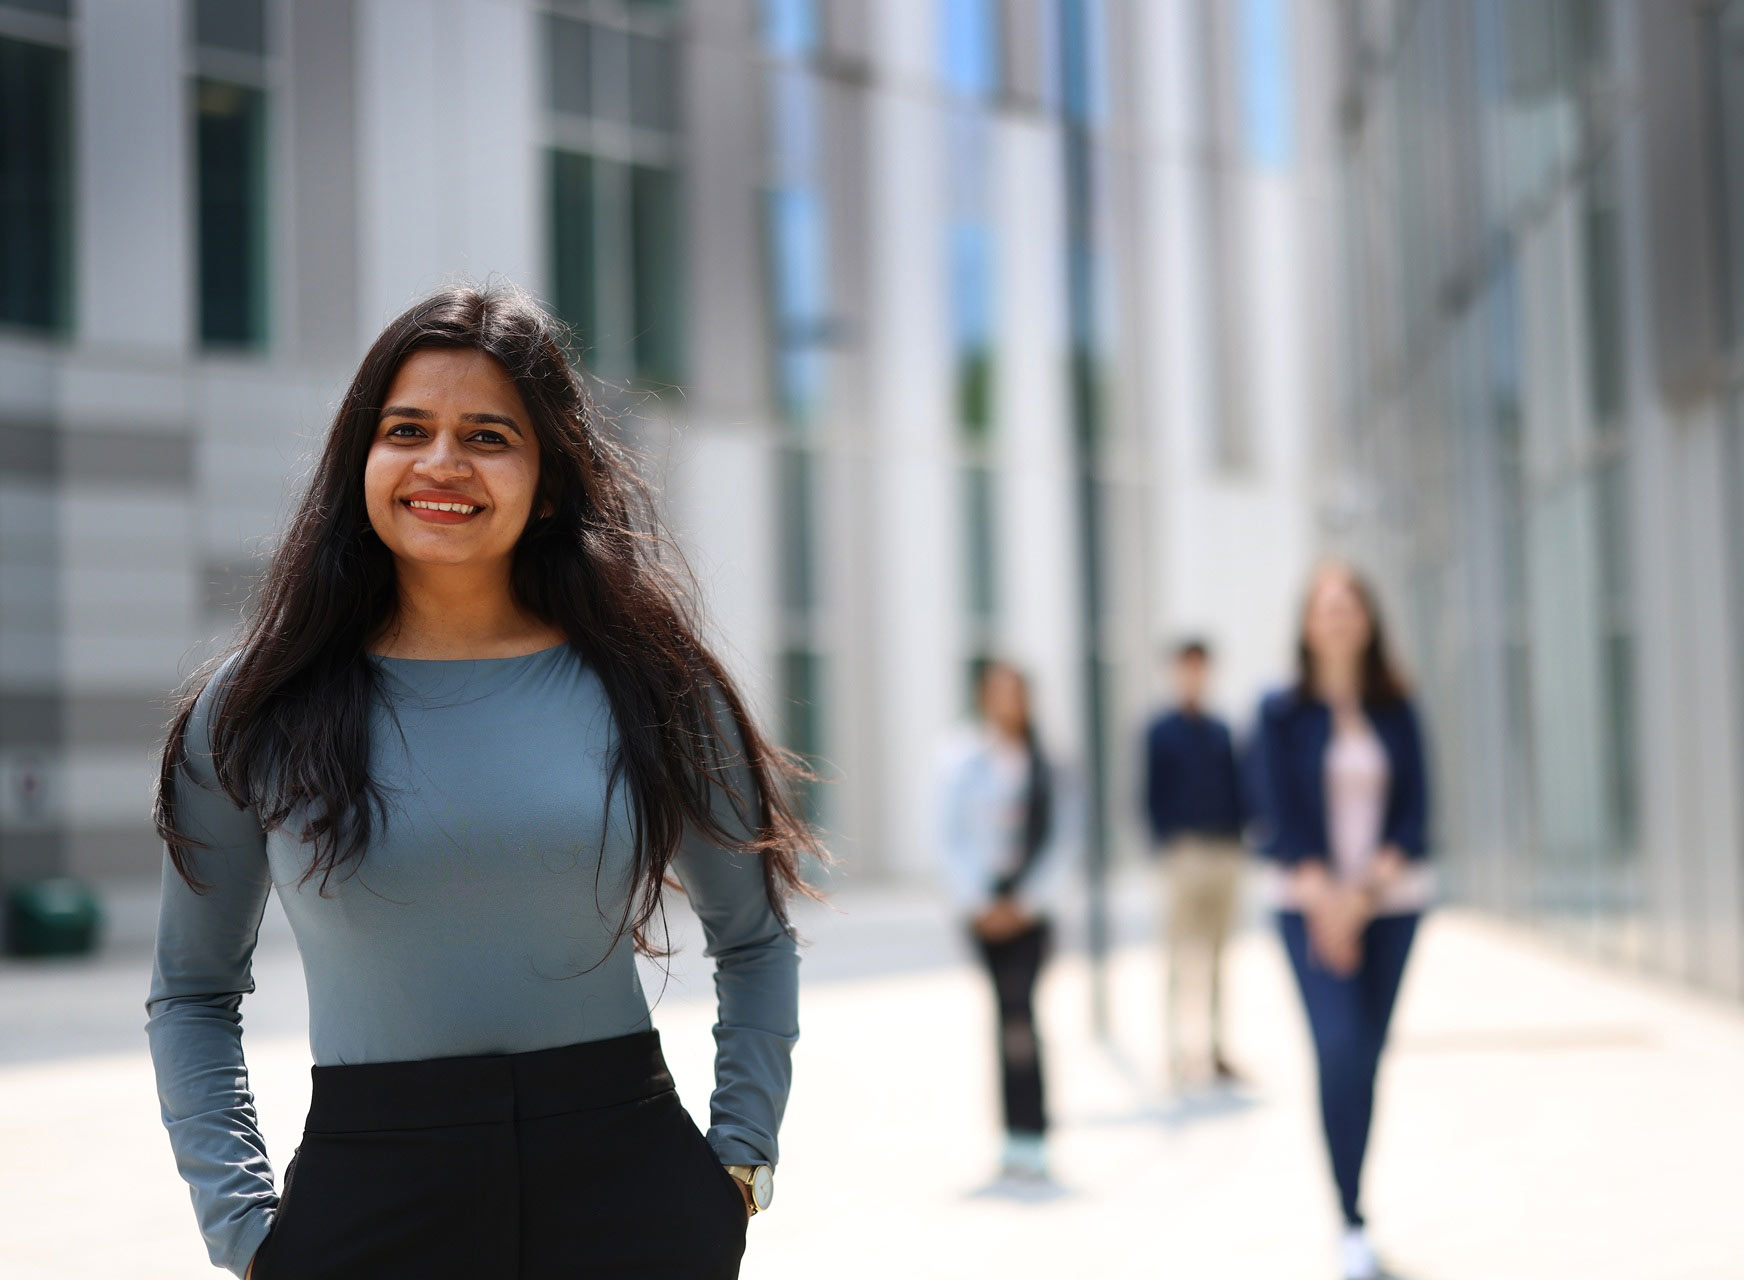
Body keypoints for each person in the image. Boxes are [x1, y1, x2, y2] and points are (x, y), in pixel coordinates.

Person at [146, 284, 820, 1280]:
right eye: (406, 428)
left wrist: (738, 1163)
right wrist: (241, 1225)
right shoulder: (259, 705)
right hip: (369, 1198)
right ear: (359, 462)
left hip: (631, 1194)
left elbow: (755, 940)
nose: (441, 462)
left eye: (488, 435)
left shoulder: (651, 683)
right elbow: (192, 991)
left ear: (548, 480)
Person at [1244, 561, 1433, 1280]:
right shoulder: (1279, 709)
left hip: (1391, 906)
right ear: (1306, 623)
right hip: (1305, 906)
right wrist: (1328, 902)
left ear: (1369, 620)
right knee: (1340, 1047)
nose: (1338, 618)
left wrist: (1362, 899)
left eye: (1350, 606)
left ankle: (1357, 1201)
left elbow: (1417, 814)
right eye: (1326, 607)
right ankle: (1351, 1220)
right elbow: (1274, 815)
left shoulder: (1397, 705)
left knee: (1367, 1060)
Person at [935, 661, 1077, 1183]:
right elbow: (949, 836)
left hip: (1032, 913)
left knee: (1022, 1014)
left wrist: (1026, 903)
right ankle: (1013, 1135)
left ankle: (1033, 1130)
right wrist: (979, 903)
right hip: (984, 910)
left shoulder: (1051, 762)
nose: (1005, 703)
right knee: (1004, 1014)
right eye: (996, 693)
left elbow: (1065, 839)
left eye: (1014, 693)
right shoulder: (961, 760)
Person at [1142, 639, 1247, 1088]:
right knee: (1178, 956)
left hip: (1224, 850)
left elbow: (1239, 787)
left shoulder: (1221, 730)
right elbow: (1150, 796)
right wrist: (1166, 846)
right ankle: (1174, 1050)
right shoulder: (1160, 731)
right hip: (1184, 852)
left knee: (1220, 957)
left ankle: (1216, 1048)